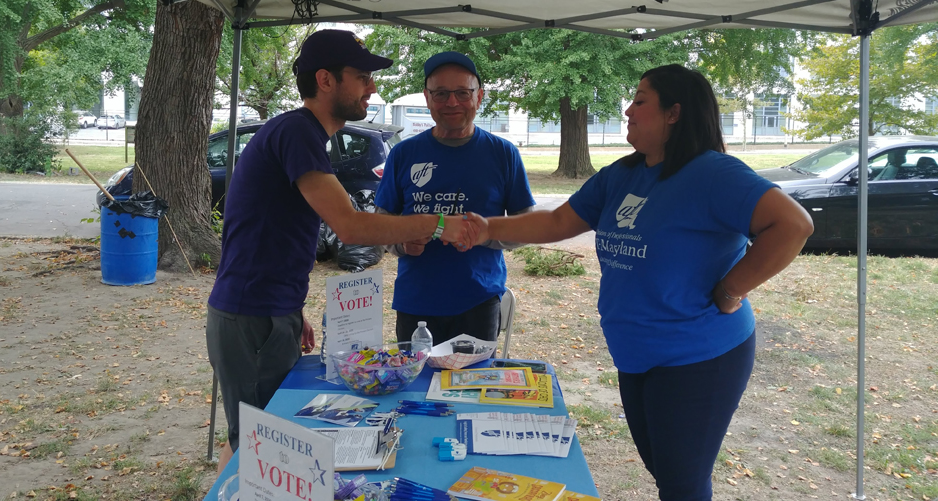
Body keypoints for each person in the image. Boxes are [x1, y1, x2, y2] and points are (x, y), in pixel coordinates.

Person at [467, 64, 814, 500]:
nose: (628, 111)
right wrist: (487, 228)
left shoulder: (713, 174)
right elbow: (557, 222)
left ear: (674, 113)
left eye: (639, 100)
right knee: (664, 472)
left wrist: (731, 289)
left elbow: (793, 225)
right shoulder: (622, 175)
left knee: (682, 485)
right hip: (635, 355)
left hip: (698, 355)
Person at [206, 30, 479, 474]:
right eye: (362, 76)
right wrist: (438, 223)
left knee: (254, 434)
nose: (372, 87)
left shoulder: (303, 134)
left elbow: (269, 232)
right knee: (257, 446)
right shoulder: (297, 131)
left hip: (266, 310)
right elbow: (350, 226)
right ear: (325, 80)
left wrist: (290, 309)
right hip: (252, 315)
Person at [375, 51, 535, 346]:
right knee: (417, 377)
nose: (452, 103)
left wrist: (483, 234)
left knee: (474, 378)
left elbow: (528, 226)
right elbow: (380, 222)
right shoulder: (404, 154)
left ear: (479, 97)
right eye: (441, 93)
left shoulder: (502, 153)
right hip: (416, 302)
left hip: (478, 300)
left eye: (463, 93)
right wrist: (401, 243)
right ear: (427, 97)